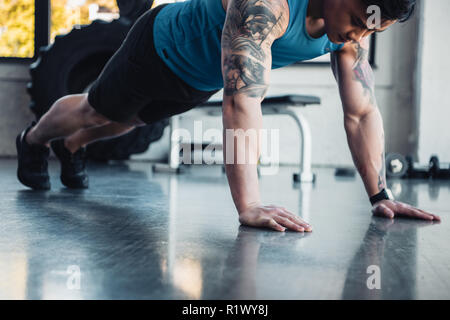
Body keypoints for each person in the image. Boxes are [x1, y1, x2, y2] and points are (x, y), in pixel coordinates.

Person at [16, 0, 441, 232]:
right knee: (95, 110)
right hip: (158, 48)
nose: (358, 35)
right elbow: (242, 102)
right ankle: (33, 141)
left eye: (371, 30)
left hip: (198, 78)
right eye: (356, 20)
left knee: (131, 121)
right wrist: (250, 204)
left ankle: (69, 148)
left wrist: (380, 195)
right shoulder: (267, 6)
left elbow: (362, 112)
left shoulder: (347, 36)